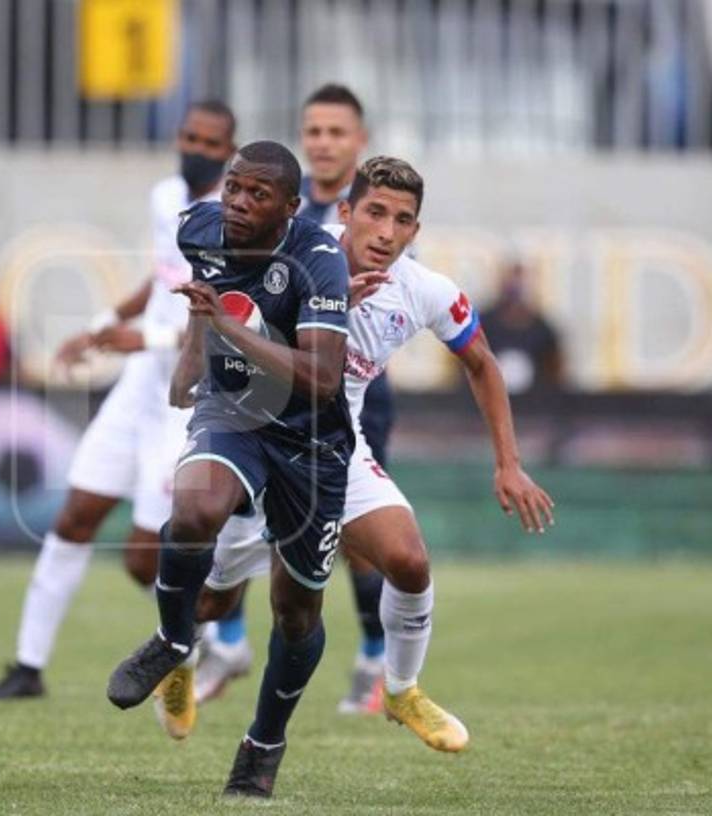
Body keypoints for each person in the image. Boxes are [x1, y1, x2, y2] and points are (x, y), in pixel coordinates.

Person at [172, 156, 555, 755]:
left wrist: (508, 462)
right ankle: (177, 652)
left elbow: (481, 362)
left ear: (415, 232)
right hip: (257, 435)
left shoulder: (426, 291)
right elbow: (222, 307)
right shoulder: (297, 253)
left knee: (408, 561)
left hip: (331, 450)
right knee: (215, 598)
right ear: (346, 213)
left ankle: (400, 690)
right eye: (374, 212)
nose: (386, 231)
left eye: (402, 220)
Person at [106, 141, 354, 799]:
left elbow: (325, 380)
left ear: (291, 207)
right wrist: (193, 359)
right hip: (234, 412)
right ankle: (172, 638)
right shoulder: (198, 229)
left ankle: (263, 743)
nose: (238, 204)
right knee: (191, 510)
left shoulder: (319, 261)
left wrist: (226, 329)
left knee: (296, 613)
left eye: (256, 194)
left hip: (311, 442)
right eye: (234, 188)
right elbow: (204, 300)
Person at [0, 101, 238, 704]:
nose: (195, 147)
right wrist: (103, 323)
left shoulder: (236, 217)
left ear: (229, 150)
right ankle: (28, 666)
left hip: (190, 396)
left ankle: (213, 642)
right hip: (139, 387)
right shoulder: (164, 195)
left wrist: (140, 337)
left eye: (210, 141)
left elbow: (227, 319)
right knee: (74, 519)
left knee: (145, 561)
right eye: (189, 135)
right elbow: (163, 279)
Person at [197, 83, 397, 715]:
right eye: (314, 131)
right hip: (261, 391)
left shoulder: (380, 210)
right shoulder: (273, 202)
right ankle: (227, 641)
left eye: (337, 132)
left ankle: (373, 659)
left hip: (345, 396)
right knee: (236, 516)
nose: (323, 142)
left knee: (352, 537)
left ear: (360, 142)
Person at [480, 260, 565, 393]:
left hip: (534, 406)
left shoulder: (543, 329)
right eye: (511, 278)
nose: (516, 286)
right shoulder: (483, 324)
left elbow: (555, 370)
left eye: (520, 279)